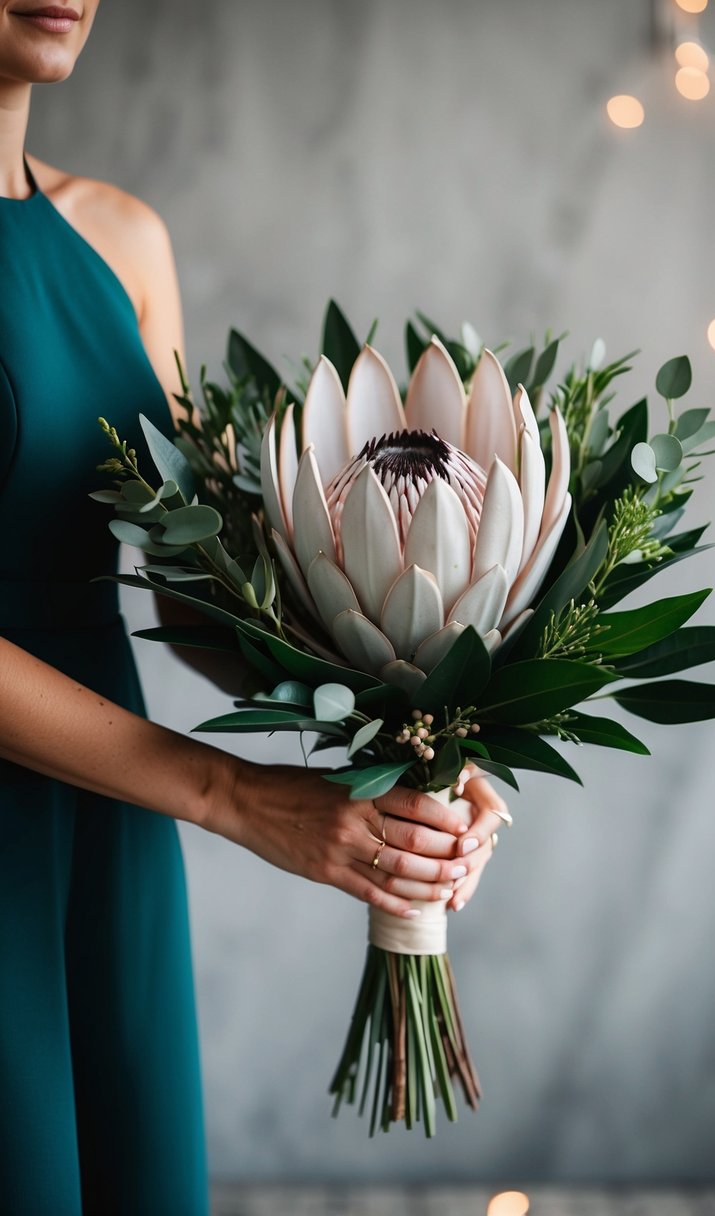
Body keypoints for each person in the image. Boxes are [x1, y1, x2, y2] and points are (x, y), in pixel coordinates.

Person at [0, 3, 507, 1212]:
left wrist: (415, 723)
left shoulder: (121, 239)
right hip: (146, 787)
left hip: (107, 814)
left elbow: (185, 585)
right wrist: (231, 793)